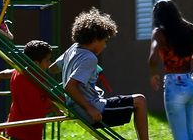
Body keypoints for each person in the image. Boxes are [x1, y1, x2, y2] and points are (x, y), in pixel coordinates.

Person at [58, 8, 150, 140]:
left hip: (78, 108)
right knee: (140, 100)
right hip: (94, 111)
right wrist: (90, 109)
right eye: (105, 41)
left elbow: (53, 68)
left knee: (138, 100)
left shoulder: (72, 50)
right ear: (95, 39)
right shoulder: (89, 58)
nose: (105, 46)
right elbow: (69, 86)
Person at [146, 0, 193, 140]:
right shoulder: (188, 28)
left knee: (181, 137)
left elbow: (152, 59)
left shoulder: (159, 33)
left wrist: (153, 74)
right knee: (190, 135)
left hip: (173, 86)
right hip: (189, 84)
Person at [0, 41, 56, 140]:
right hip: (30, 129)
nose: (49, 63)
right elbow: (49, 98)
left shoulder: (20, 71)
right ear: (36, 63)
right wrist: (57, 109)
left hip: (15, 126)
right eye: (47, 60)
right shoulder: (38, 80)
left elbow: (7, 73)